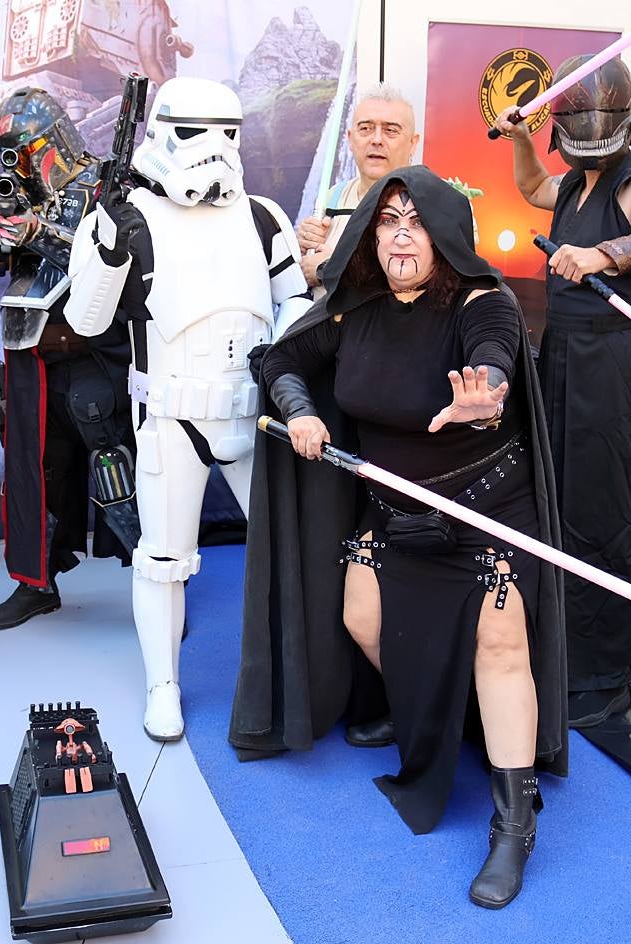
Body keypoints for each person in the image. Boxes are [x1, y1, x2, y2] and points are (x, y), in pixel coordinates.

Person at [231, 166, 567, 909]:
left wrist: (483, 396)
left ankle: (514, 822)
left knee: (502, 650)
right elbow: (284, 359)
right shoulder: (355, 311)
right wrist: (300, 411)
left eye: (416, 218)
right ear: (370, 237)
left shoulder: (485, 302)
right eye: (387, 220)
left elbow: (492, 362)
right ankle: (435, 708)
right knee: (363, 620)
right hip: (391, 512)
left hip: (487, 511)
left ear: (444, 233)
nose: (402, 232)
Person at [64, 77, 309, 741]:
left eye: (227, 133)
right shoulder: (127, 217)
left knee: (289, 552)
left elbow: (297, 303)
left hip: (254, 414)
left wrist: (282, 360)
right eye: (198, 132)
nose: (214, 149)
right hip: (171, 417)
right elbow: (86, 321)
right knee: (163, 559)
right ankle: (163, 686)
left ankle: (298, 675)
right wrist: (109, 245)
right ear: (165, 132)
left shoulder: (262, 217)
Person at [493, 55, 631, 728]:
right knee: (564, 499)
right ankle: (567, 650)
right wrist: (522, 138)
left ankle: (604, 670)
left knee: (609, 508)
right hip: (564, 361)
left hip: (613, 365)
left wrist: (606, 254)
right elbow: (531, 189)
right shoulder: (579, 181)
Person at [0, 88, 139, 631]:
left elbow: (111, 266)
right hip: (32, 357)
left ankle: (156, 584)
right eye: (10, 150)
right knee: (33, 474)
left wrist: (38, 231)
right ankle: (36, 583)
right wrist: (2, 223)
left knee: (117, 469)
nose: (19, 160)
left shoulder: (106, 187)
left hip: (94, 354)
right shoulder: (20, 192)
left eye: (26, 147)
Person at [295, 83, 420, 297]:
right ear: (350, 139)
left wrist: (331, 268)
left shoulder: (435, 203)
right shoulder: (332, 197)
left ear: (413, 143)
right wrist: (304, 245)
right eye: (366, 129)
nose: (377, 140)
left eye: (390, 130)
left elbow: (433, 281)